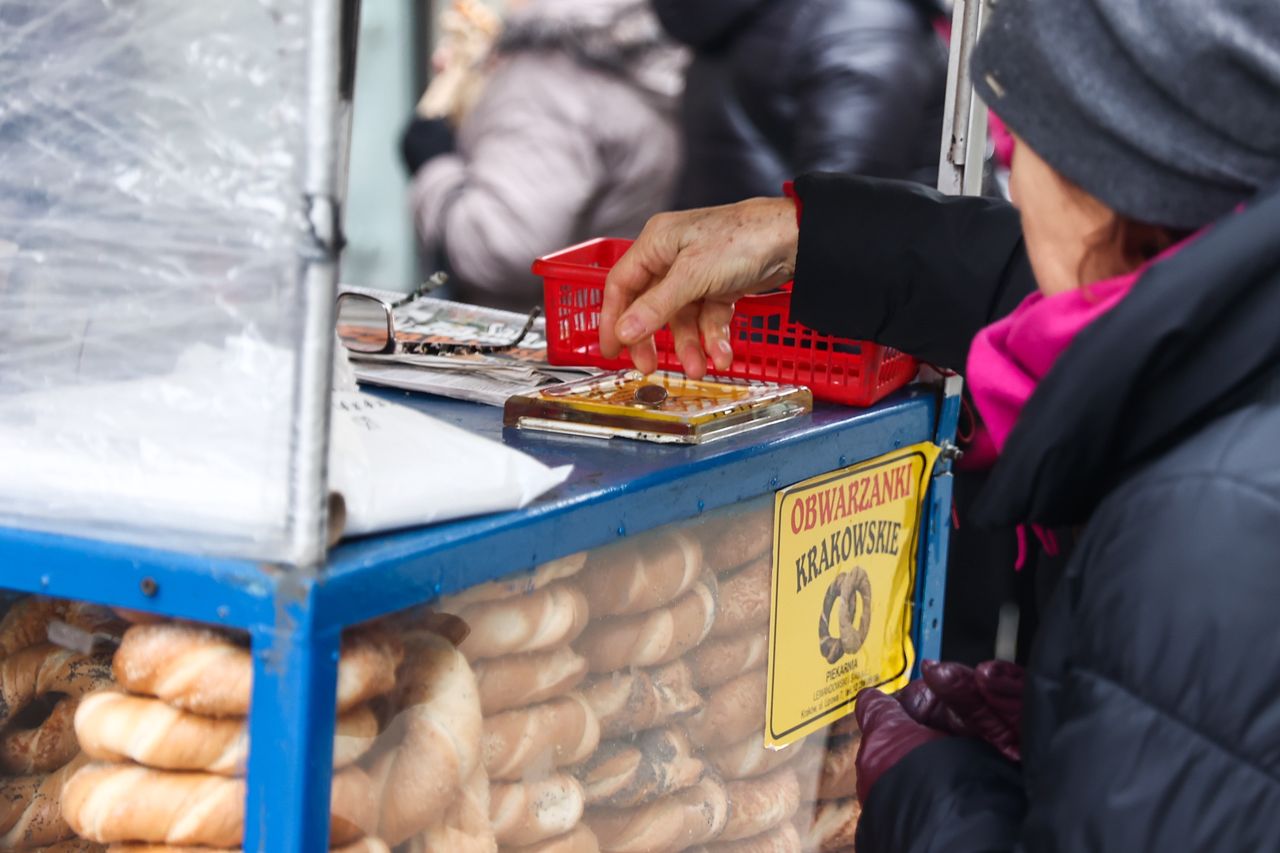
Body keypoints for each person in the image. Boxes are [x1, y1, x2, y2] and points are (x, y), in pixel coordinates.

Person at [597, 0, 1280, 848]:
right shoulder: (1225, 333)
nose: (1010, 178)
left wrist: (930, 786)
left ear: (1102, 173)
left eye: (1013, 144)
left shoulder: (1206, 529)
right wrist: (807, 237)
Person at [402, 0, 686, 312]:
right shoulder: (640, 49)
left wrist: (435, 167)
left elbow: (499, 250)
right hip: (608, 329)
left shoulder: (550, 71)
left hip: (529, 338)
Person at [651, 0, 947, 209]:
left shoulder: (743, 15)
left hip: (742, 268)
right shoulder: (863, 18)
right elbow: (841, 204)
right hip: (800, 281)